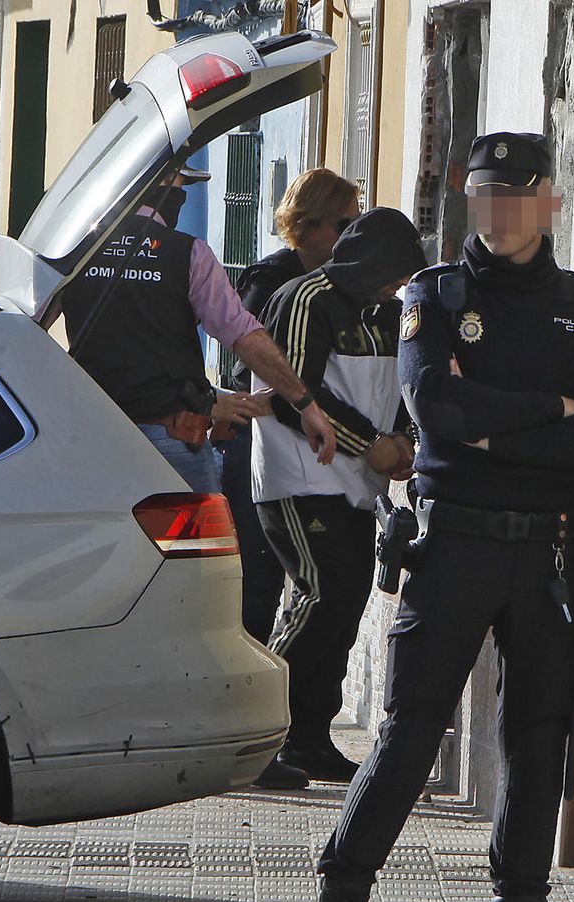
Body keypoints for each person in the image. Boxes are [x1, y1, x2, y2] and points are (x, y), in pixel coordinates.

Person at [299, 133, 574, 902]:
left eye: (518, 195)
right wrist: (551, 410)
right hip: (454, 545)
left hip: (551, 554)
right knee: (409, 737)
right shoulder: (435, 296)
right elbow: (438, 413)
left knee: (539, 744)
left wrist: (497, 425)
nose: (501, 212)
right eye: (486, 195)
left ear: (548, 201)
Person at [250, 208, 425, 788]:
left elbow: (402, 386)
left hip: (357, 484)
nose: (396, 287)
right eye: (393, 276)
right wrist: (371, 443)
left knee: (343, 605)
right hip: (299, 477)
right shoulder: (306, 300)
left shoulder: (390, 314)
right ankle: (257, 735)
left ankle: (308, 737)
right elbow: (292, 393)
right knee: (317, 597)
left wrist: (403, 440)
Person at [59, 166, 337, 500]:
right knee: (196, 536)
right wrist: (305, 403)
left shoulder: (75, 252)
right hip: (171, 441)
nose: (182, 196)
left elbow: (27, 325)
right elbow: (243, 335)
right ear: (161, 187)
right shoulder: (187, 253)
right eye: (180, 186)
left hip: (89, 439)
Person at [227, 169, 362, 647]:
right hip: (266, 450)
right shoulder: (272, 281)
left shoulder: (344, 286)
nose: (352, 235)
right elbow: (246, 369)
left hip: (320, 456)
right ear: (309, 224)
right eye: (344, 224)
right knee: (259, 584)